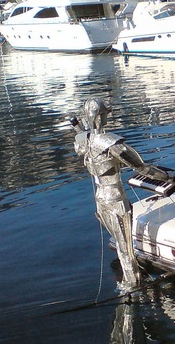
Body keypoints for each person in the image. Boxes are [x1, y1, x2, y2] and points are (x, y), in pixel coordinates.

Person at [72, 98, 169, 288]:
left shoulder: (84, 141)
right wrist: (166, 177)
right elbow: (141, 168)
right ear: (100, 117)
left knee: (118, 242)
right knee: (125, 247)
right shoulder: (111, 144)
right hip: (116, 200)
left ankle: (130, 277)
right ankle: (133, 285)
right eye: (106, 113)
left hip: (100, 199)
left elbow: (82, 142)